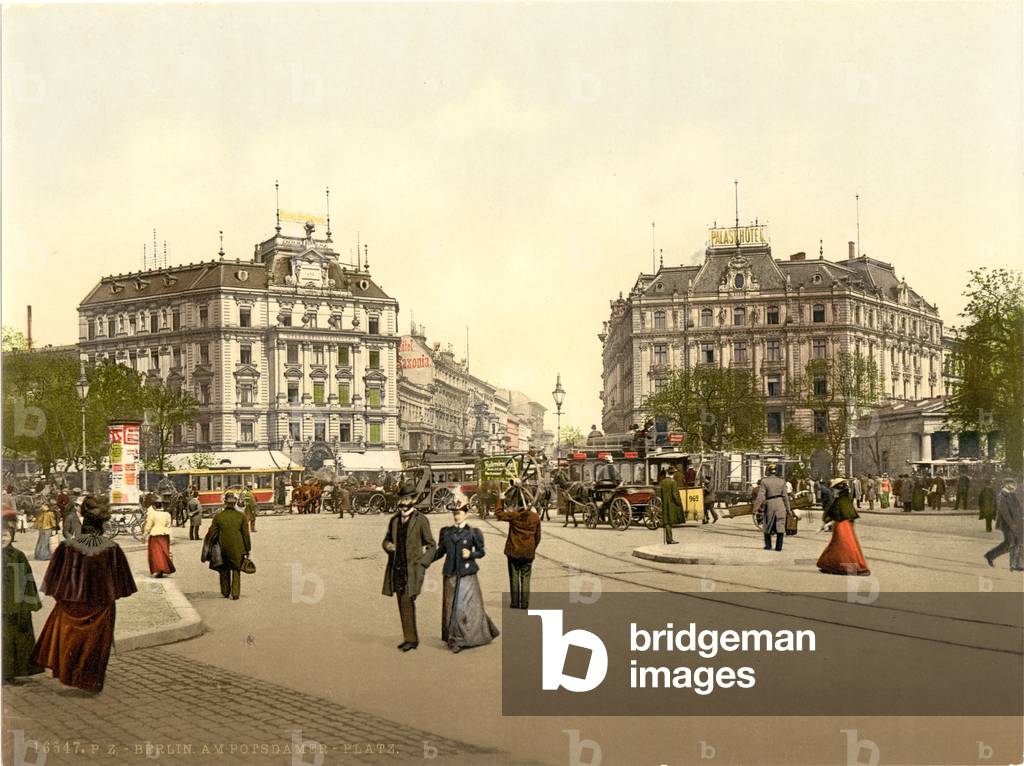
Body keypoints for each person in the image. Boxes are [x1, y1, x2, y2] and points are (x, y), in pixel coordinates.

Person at [31, 498, 137, 693]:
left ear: (84, 519)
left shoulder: (67, 547)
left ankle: (69, 676)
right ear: (103, 524)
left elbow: (54, 582)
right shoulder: (112, 549)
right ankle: (90, 681)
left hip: (71, 605)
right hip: (101, 607)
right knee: (96, 643)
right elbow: (123, 586)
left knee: (70, 640)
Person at [432, 500, 499, 653]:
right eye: (454, 513)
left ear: (466, 514)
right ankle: (453, 636)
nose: (456, 516)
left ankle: (459, 639)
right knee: (450, 606)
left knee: (463, 608)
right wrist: (423, 560)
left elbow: (481, 552)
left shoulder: (473, 533)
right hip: (450, 573)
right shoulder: (446, 532)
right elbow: (440, 551)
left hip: (468, 574)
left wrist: (471, 554)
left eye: (459, 513)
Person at [381, 481, 437, 651]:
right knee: (402, 602)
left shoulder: (421, 520)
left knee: (407, 600)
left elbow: (432, 545)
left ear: (413, 500)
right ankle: (410, 638)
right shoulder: (394, 520)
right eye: (401, 499)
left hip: (412, 569)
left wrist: (422, 563)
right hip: (396, 568)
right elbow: (387, 539)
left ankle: (411, 639)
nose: (403, 503)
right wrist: (388, 546)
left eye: (407, 499)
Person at [3, 521, 45, 684]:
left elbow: (27, 580)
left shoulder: (18, 555)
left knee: (16, 638)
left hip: (16, 604)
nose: (2, 539)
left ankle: (11, 673)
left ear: (12, 536)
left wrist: (30, 603)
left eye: (5, 535)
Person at [494, 490, 542, 609]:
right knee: (525, 577)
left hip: (513, 551)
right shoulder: (535, 518)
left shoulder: (514, 515)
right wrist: (532, 548)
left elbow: (499, 514)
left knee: (514, 576)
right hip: (528, 553)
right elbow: (538, 537)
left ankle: (514, 602)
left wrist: (501, 499)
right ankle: (524, 603)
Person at [816, 479, 871, 575]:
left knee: (845, 546)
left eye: (834, 489)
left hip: (842, 525)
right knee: (837, 545)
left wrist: (827, 523)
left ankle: (853, 567)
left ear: (837, 489)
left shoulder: (841, 499)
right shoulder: (843, 498)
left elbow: (836, 513)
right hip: (845, 524)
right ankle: (829, 564)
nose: (833, 491)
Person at [204, 492, 252, 600]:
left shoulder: (218, 517)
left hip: (222, 547)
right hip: (238, 548)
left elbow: (213, 533)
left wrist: (209, 546)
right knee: (236, 569)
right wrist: (248, 549)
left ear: (225, 503)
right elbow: (246, 535)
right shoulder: (242, 516)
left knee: (224, 569)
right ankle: (235, 593)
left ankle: (225, 592)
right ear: (235, 503)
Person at [984, 479, 1022, 571]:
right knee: (1010, 543)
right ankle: (990, 555)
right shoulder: (1001, 496)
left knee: (1015, 543)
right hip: (1006, 524)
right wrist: (1011, 524)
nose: (1014, 486)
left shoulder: (1012, 495)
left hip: (1016, 522)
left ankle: (1014, 565)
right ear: (1006, 485)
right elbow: (1004, 512)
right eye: (1012, 484)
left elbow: (1018, 508)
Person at [753, 464, 790, 552]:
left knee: (767, 524)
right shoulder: (782, 481)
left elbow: (760, 496)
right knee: (780, 525)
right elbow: (785, 497)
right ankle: (778, 547)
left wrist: (755, 508)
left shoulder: (764, 481)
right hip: (780, 504)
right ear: (776, 471)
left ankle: (768, 545)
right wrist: (788, 509)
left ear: (768, 471)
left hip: (770, 504)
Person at [143, 497, 175, 578]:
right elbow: (168, 525)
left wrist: (144, 535)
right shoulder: (167, 514)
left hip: (155, 534)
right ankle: (164, 567)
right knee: (164, 552)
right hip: (165, 535)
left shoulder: (152, 514)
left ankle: (159, 568)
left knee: (156, 553)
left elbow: (148, 525)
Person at [657, 468, 683, 545]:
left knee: (667, 521)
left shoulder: (662, 482)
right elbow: (675, 495)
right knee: (670, 521)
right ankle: (670, 539)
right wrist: (679, 503)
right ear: (673, 474)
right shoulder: (673, 482)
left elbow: (660, 494)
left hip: (664, 503)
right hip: (671, 504)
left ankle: (669, 538)